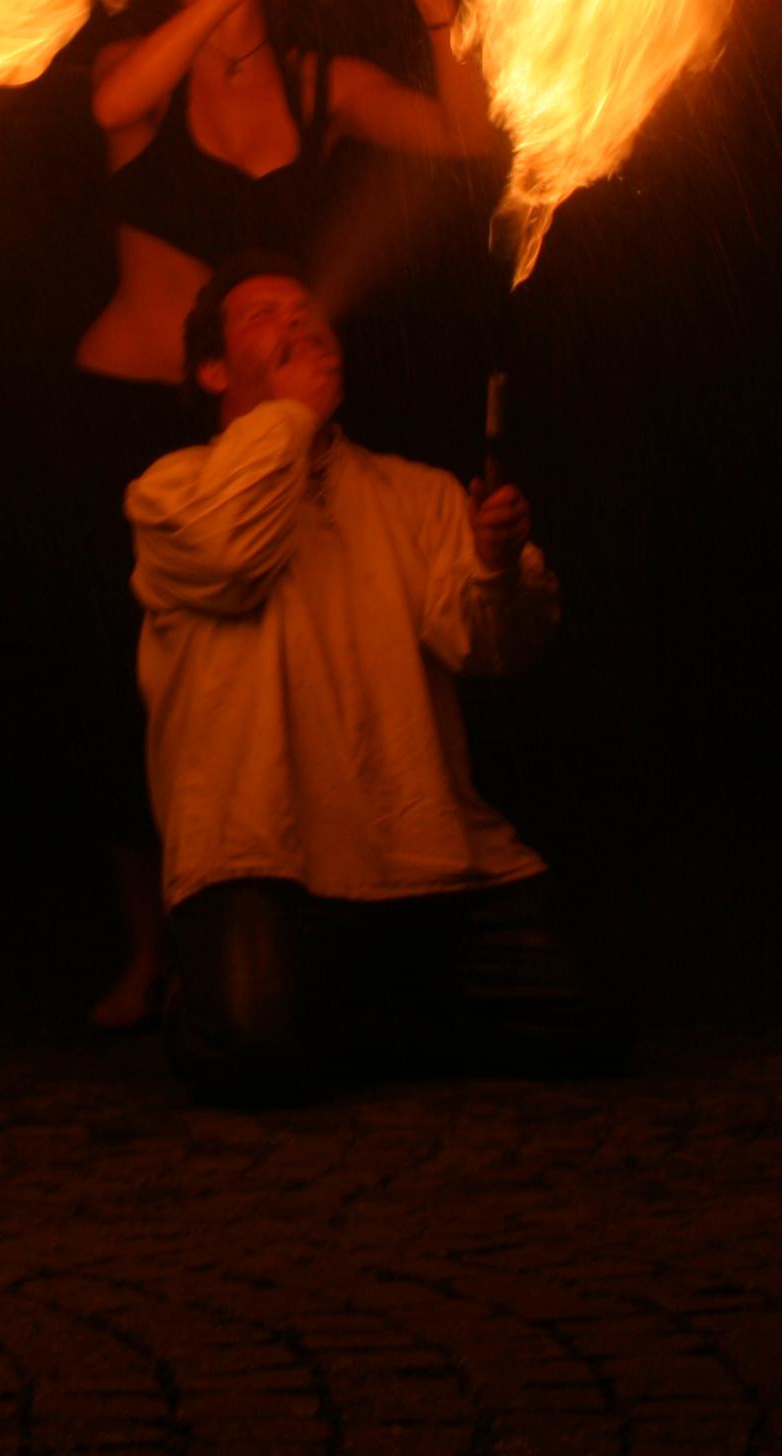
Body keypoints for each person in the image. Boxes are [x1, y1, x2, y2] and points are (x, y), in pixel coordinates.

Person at [67, 0, 498, 1027]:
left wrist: (435, 7)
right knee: (121, 689)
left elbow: (467, 137)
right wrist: (224, 0)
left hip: (269, 426)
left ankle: (287, 910)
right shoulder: (138, 70)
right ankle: (147, 949)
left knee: (270, 665)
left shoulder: (321, 83)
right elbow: (113, 103)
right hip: (130, 416)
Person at [126, 253, 616, 1102]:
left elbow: (490, 647)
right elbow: (237, 555)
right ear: (213, 371)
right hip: (261, 859)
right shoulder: (172, 492)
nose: (296, 319)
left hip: (421, 855)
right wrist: (291, 416)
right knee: (252, 1052)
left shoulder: (414, 494)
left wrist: (496, 566)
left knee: (588, 1022)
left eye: (305, 308)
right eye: (263, 314)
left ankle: (344, 1017)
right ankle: (210, 996)